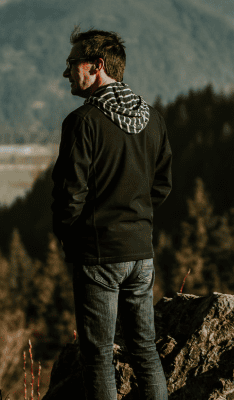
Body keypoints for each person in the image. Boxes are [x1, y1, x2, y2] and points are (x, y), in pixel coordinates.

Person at [51, 27, 172, 399]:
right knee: (145, 350)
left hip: (98, 253)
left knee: (98, 355)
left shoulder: (83, 122)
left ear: (97, 66)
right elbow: (162, 186)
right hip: (141, 252)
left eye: (73, 63)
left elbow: (71, 193)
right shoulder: (152, 119)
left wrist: (71, 238)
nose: (66, 72)